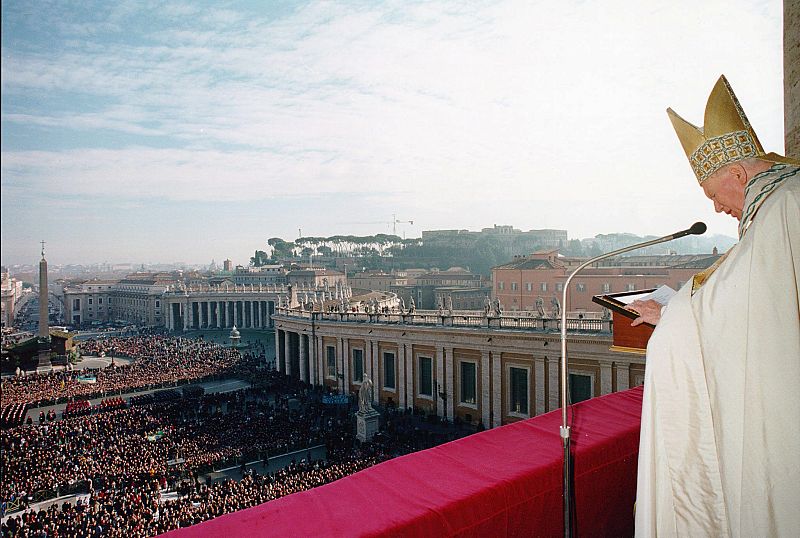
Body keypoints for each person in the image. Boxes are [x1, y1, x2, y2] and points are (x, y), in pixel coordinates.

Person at [632, 75, 799, 537]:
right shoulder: (781, 202)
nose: (720, 208)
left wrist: (673, 317)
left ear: (739, 175)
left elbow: (749, 304)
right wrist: (680, 310)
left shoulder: (784, 205)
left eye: (713, 194)